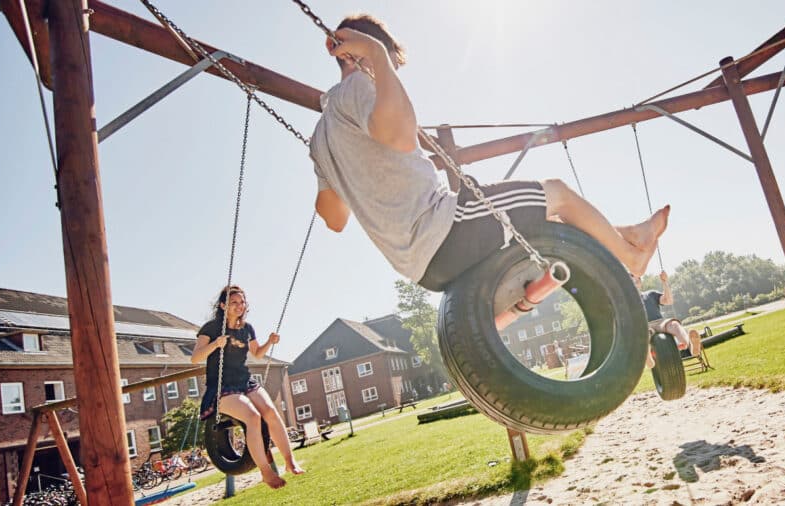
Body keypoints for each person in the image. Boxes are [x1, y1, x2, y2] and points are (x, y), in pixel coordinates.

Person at [308, 14, 669, 292]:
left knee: (543, 218)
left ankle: (627, 233)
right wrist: (378, 59)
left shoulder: (321, 136)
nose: (390, 75)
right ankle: (632, 258)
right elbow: (400, 137)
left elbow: (334, 218)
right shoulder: (358, 85)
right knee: (556, 193)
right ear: (360, 52)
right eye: (390, 65)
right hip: (446, 229)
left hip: (421, 269)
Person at [192, 285, 304, 489]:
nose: (239, 306)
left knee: (270, 412)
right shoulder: (211, 328)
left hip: (245, 382)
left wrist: (270, 342)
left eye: (242, 302)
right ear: (223, 305)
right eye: (234, 302)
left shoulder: (247, 328)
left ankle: (289, 461)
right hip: (222, 387)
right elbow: (195, 358)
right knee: (253, 416)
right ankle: (265, 471)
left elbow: (257, 353)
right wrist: (216, 344)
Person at [637, 271, 701, 368]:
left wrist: (665, 282)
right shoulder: (625, 301)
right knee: (643, 334)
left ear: (640, 282)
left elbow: (668, 301)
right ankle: (648, 360)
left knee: (675, 325)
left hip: (660, 322)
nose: (634, 281)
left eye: (636, 279)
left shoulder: (650, 294)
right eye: (630, 280)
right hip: (644, 326)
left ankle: (692, 348)